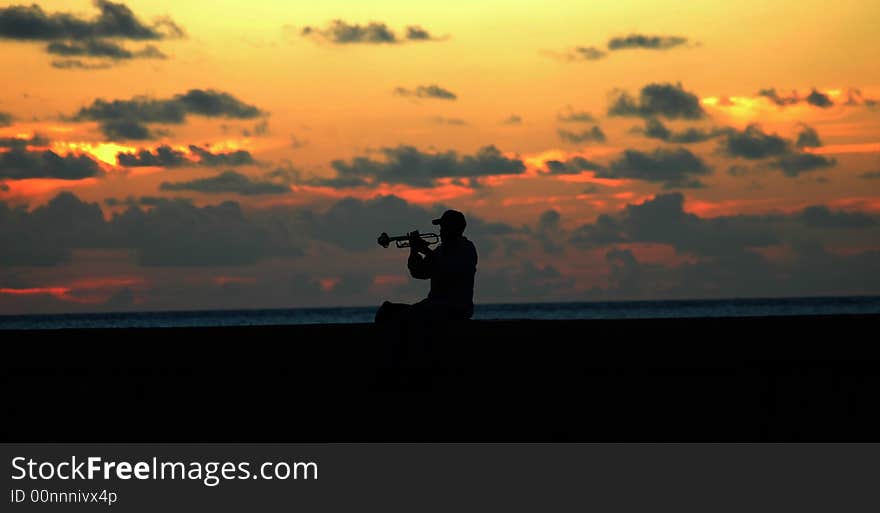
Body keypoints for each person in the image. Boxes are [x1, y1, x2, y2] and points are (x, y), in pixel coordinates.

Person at [375, 209, 478, 324]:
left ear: (451, 229)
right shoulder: (441, 250)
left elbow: (448, 268)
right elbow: (419, 272)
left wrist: (426, 251)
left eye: (443, 227)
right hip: (436, 306)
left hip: (449, 308)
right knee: (388, 309)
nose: (440, 231)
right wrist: (414, 251)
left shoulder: (466, 248)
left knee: (395, 317)